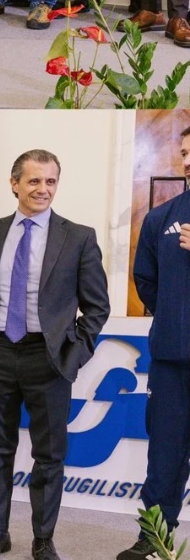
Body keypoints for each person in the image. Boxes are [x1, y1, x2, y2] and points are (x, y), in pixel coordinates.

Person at [0, 150, 109, 560]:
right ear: (15, 184)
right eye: (33, 181)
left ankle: (43, 538)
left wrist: (74, 352)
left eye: (50, 182)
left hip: (49, 357)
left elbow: (97, 307)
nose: (43, 189)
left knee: (49, 455)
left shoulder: (78, 237)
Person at [116, 126, 190, 560]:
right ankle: (155, 538)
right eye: (184, 152)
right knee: (164, 458)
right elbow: (146, 281)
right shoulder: (162, 218)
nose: (188, 160)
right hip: (171, 360)